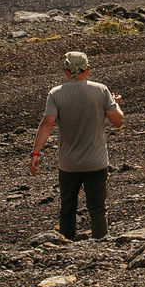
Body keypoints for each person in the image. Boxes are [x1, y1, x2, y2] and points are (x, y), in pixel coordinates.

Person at [28, 50, 123, 240]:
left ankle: (66, 243)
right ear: (87, 69)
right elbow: (117, 121)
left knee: (68, 206)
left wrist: (36, 153)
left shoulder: (56, 93)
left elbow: (47, 123)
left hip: (68, 164)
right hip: (96, 162)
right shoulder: (101, 90)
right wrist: (116, 103)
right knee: (97, 208)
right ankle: (100, 244)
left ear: (65, 71)